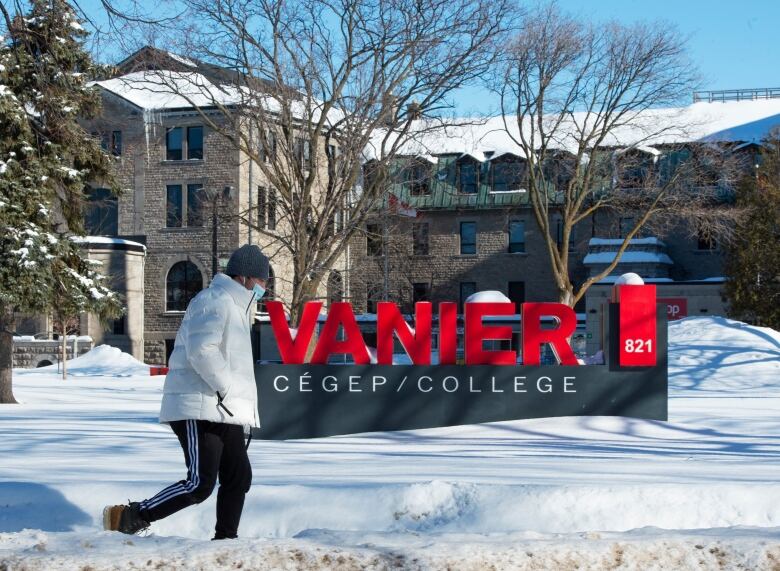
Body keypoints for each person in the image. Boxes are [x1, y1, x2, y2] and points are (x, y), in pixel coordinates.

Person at [103, 244, 268, 539]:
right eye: (262, 281)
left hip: (223, 409)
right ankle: (129, 516)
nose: (264, 287)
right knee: (199, 484)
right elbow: (201, 350)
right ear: (244, 277)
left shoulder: (238, 307)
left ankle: (225, 540)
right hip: (199, 405)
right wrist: (226, 387)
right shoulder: (214, 300)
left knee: (238, 477)